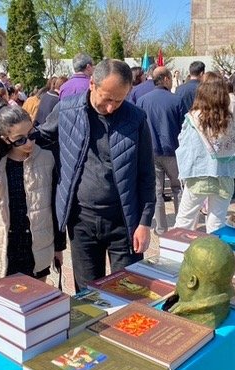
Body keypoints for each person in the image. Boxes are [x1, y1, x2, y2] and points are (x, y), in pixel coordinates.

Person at [40, 59, 155, 291]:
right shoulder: (67, 110)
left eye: (119, 100)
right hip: (82, 221)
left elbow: (146, 174)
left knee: (129, 291)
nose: (111, 107)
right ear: (92, 84)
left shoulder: (136, 118)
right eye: (107, 98)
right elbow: (40, 138)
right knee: (88, 294)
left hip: (124, 221)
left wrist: (144, 222)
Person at [0, 104, 65, 280]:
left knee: (38, 295)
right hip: (5, 249)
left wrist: (59, 246)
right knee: (7, 296)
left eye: (32, 135)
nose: (29, 143)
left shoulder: (47, 159)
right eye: (20, 140)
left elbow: (57, 206)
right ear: (5, 139)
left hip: (37, 248)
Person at [173, 78, 235, 233]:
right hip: (224, 175)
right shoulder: (229, 119)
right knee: (217, 223)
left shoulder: (193, 118)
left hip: (198, 174)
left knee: (185, 220)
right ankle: (215, 247)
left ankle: (179, 247)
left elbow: (185, 146)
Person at [136, 67, 186, 236]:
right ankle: (180, 226)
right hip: (173, 151)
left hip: (151, 152)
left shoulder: (142, 101)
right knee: (178, 188)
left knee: (156, 191)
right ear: (165, 79)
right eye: (170, 77)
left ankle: (161, 229)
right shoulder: (176, 100)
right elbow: (184, 127)